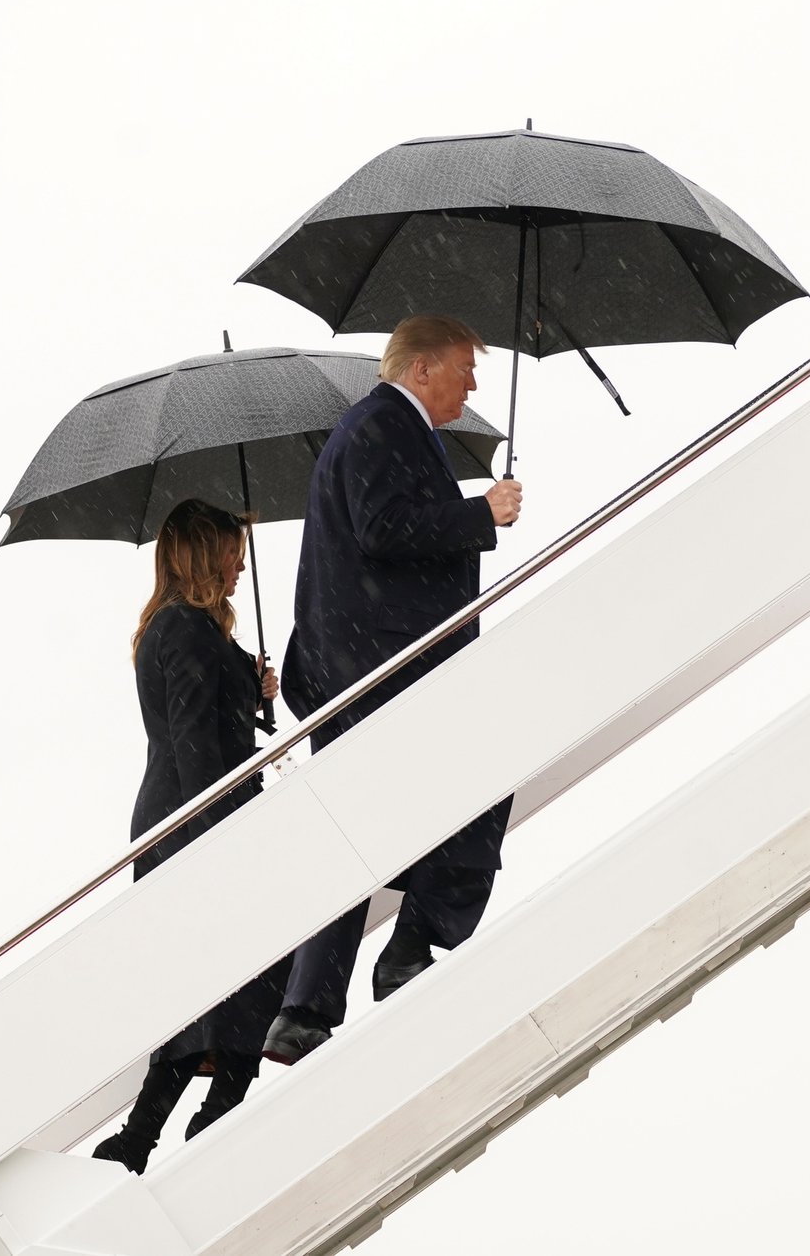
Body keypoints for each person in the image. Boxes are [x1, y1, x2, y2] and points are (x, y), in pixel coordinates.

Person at [262, 315, 522, 1065]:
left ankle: (306, 1010)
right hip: (388, 667)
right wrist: (484, 512)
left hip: (360, 667)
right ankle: (416, 939)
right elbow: (384, 529)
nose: (473, 383)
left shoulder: (376, 427)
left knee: (357, 838)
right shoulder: (382, 424)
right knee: (484, 783)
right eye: (465, 368)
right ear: (421, 370)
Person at [93, 499, 287, 1174]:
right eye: (234, 551)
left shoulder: (182, 629)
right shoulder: (187, 631)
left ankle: (144, 1138)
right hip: (194, 823)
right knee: (245, 971)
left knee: (211, 981)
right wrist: (226, 835)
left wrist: (252, 686)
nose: (242, 564)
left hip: (183, 821)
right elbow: (197, 742)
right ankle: (201, 1117)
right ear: (206, 555)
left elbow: (206, 721)